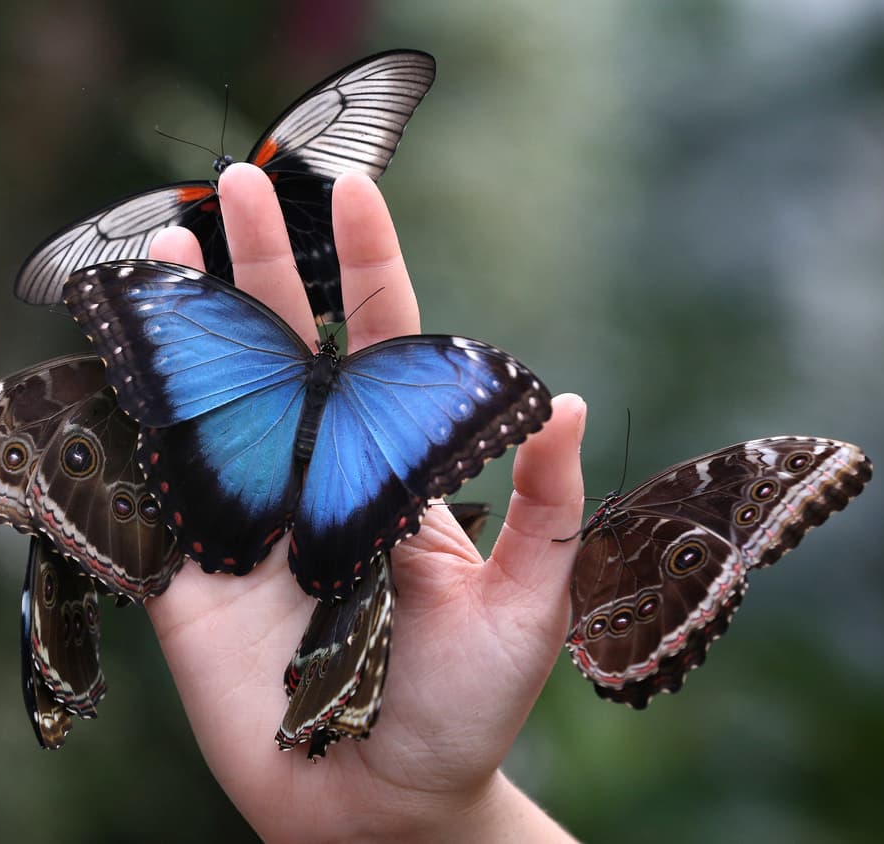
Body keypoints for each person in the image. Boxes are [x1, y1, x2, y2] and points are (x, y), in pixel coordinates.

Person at [145, 162, 585, 842]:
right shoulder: (393, 377)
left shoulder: (268, 346)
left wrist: (440, 815)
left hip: (260, 465)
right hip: (330, 486)